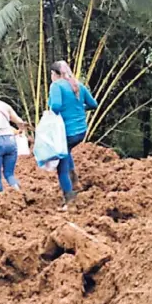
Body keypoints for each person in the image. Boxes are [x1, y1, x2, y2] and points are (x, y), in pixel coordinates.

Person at [47, 60, 98, 208]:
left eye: (51, 74)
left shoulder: (56, 86)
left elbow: (55, 106)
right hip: (81, 131)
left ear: (55, 74)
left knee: (60, 166)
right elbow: (93, 104)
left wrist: (51, 112)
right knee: (67, 152)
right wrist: (79, 108)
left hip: (66, 133)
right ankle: (75, 181)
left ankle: (69, 199)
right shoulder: (78, 85)